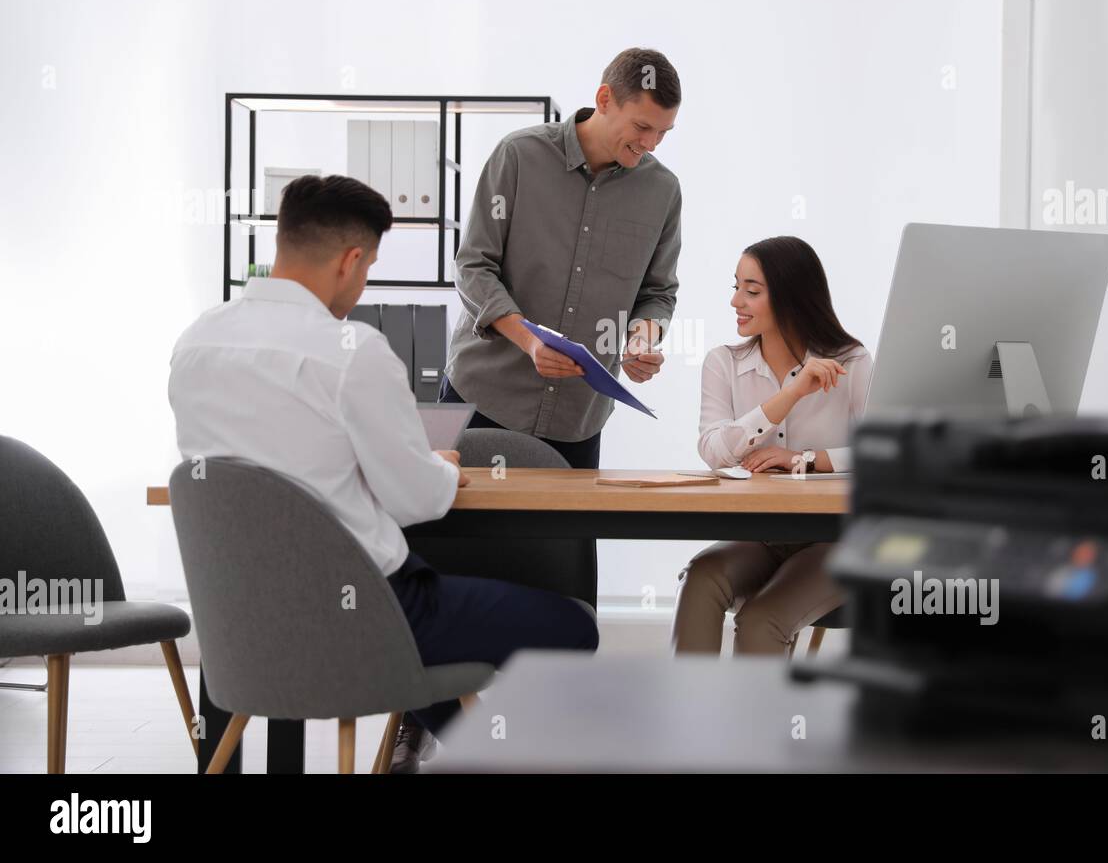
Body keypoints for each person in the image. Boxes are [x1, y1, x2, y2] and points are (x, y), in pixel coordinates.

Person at [169, 175, 598, 772]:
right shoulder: (351, 351)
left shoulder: (195, 342)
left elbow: (253, 477)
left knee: (429, 630)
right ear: (350, 261)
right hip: (363, 616)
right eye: (368, 266)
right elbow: (415, 499)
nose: (363, 280)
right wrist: (438, 467)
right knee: (573, 624)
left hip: (240, 621)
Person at [443, 48, 683, 469]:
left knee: (560, 538)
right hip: (480, 398)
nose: (650, 144)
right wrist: (530, 342)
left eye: (663, 133)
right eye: (643, 126)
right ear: (605, 99)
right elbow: (473, 266)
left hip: (577, 421)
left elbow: (658, 292)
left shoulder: (662, 191)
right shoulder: (518, 156)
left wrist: (640, 340)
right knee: (452, 535)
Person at [671, 236, 872, 656]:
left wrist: (804, 460)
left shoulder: (851, 363)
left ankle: (760, 724)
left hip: (833, 541)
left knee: (762, 620)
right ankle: (688, 716)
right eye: (736, 286)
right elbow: (713, 450)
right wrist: (790, 394)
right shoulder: (723, 362)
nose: (735, 302)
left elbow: (882, 455)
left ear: (792, 296)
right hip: (758, 536)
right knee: (701, 578)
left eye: (752, 291)